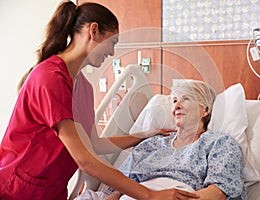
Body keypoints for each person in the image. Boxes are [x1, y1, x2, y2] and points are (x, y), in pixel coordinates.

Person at [0, 1, 199, 200]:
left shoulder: (83, 86)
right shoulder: (49, 78)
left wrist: (144, 135)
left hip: (49, 191)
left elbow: (94, 143)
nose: (112, 53)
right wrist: (150, 195)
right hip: (18, 189)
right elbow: (85, 160)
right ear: (93, 30)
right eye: (112, 43)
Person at [103, 80, 246, 200]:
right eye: (175, 100)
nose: (177, 105)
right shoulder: (152, 144)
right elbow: (118, 187)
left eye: (186, 99)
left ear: (205, 110)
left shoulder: (219, 143)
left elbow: (219, 192)